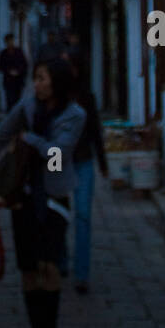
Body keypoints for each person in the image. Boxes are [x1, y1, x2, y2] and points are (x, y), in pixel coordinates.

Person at [0, 55, 86, 328]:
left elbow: (57, 155)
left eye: (42, 78)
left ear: (58, 82)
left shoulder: (75, 115)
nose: (36, 84)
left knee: (49, 265)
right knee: (28, 268)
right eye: (35, 78)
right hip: (23, 197)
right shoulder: (26, 107)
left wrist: (30, 139)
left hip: (54, 197)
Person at [58, 40, 107, 293]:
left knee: (83, 215)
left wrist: (103, 162)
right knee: (58, 214)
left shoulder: (86, 97)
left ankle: (82, 273)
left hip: (84, 161)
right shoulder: (54, 95)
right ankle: (61, 260)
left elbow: (95, 130)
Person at [0, 32, 28, 110]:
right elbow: (0, 67)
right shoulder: (3, 54)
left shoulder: (19, 52)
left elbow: (25, 64)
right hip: (8, 81)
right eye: (8, 41)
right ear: (6, 42)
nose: (10, 43)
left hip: (18, 81)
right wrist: (9, 71)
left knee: (17, 100)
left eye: (11, 40)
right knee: (9, 100)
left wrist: (19, 71)